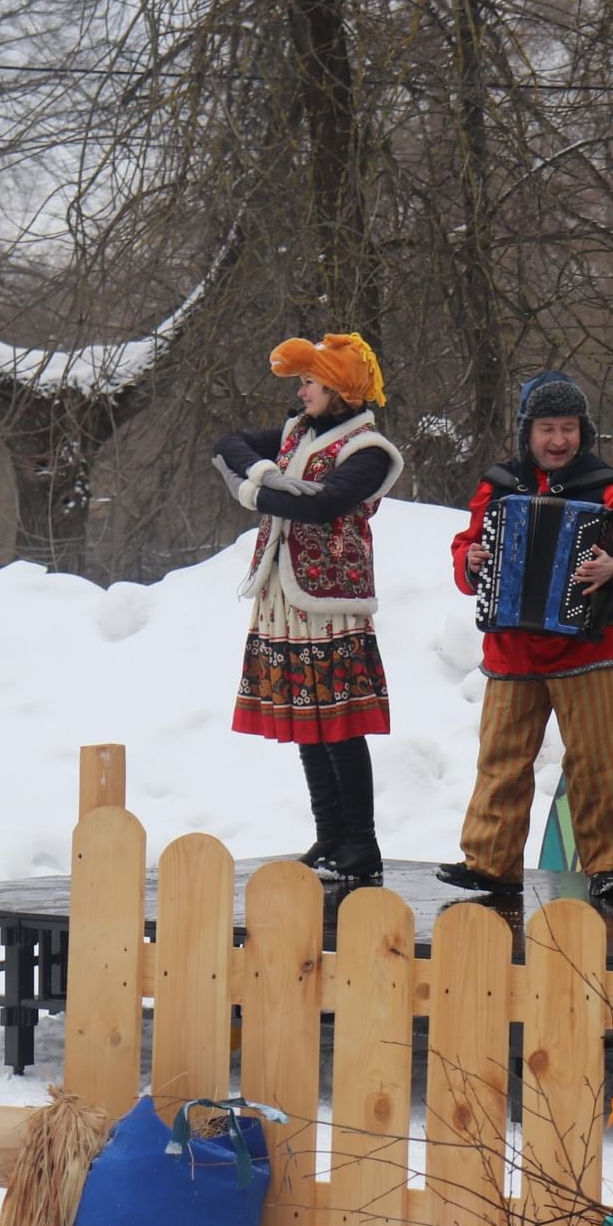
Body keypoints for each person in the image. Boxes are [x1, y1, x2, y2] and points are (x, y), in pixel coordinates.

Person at [439, 372, 613, 902]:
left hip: (586, 648)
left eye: (569, 428)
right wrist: (471, 559)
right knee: (501, 760)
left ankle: (608, 867)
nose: (559, 440)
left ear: (584, 431)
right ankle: (490, 863)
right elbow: (466, 547)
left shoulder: (606, 486)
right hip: (512, 651)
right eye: (547, 429)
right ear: (526, 433)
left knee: (596, 760)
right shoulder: (498, 485)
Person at [213, 333, 402, 881]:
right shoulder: (296, 431)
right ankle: (330, 834)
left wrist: (251, 487)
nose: (300, 392)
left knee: (338, 723)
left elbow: (320, 506)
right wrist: (263, 474)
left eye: (310, 383)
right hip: (286, 594)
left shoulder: (368, 451)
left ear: (339, 388)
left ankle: (360, 843)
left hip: (330, 602)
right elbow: (229, 442)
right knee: (307, 720)